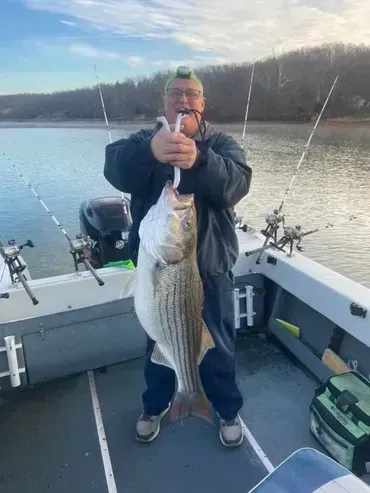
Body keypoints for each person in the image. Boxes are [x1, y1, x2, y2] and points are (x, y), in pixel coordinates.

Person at [104, 66, 252, 447]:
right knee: (158, 340)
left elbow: (237, 184)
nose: (183, 99)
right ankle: (154, 406)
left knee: (217, 348)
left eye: (191, 93)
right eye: (175, 93)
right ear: (164, 103)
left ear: (202, 103)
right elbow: (115, 168)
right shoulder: (142, 142)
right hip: (161, 269)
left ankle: (226, 409)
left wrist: (198, 160)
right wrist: (151, 150)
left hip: (212, 270)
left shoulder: (220, 145)